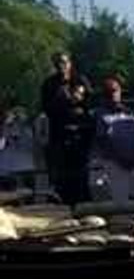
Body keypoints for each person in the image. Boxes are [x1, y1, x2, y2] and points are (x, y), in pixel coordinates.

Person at [40, 52, 93, 205]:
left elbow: (91, 102)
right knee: (62, 178)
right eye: (57, 63)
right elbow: (47, 109)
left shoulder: (80, 80)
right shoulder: (49, 84)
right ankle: (65, 206)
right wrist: (64, 101)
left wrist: (80, 100)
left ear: (70, 63)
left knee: (81, 176)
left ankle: (84, 206)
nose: (61, 66)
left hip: (80, 136)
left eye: (63, 62)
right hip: (60, 135)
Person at [90, 77, 134, 202]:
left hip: (128, 166)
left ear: (120, 92)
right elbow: (103, 141)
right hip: (107, 167)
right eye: (108, 92)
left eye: (115, 91)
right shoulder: (98, 114)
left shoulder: (129, 113)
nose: (112, 95)